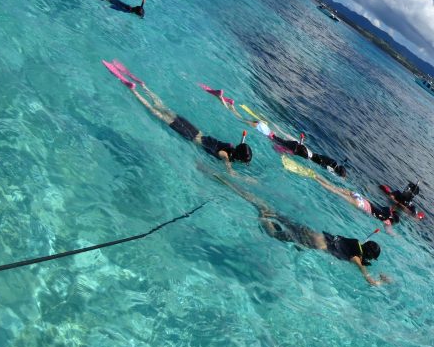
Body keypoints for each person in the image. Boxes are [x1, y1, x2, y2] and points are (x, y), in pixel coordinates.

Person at [214, 173, 390, 287]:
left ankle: (249, 197)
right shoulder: (356, 258)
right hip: (312, 242)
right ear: (366, 255)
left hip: (313, 233)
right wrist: (381, 281)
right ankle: (261, 215)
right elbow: (368, 278)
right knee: (274, 233)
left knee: (277, 215)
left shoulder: (354, 243)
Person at [104, 61, 251, 173]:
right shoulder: (226, 154)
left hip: (195, 129)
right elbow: (224, 157)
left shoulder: (231, 146)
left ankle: (143, 86)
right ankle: (133, 90)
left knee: (162, 107)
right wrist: (230, 170)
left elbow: (229, 151)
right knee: (153, 111)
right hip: (188, 134)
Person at [306, 169, 399, 227]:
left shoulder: (387, 209)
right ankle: (315, 179)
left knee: (334, 187)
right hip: (361, 204)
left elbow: (386, 206)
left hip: (361, 197)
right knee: (335, 191)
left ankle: (317, 175)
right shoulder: (388, 222)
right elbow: (389, 230)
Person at [270, 132, 347, 177]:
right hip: (305, 152)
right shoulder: (331, 168)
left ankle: (272, 135)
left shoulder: (334, 162)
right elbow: (324, 165)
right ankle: (272, 135)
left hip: (306, 151)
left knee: (280, 141)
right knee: (279, 141)